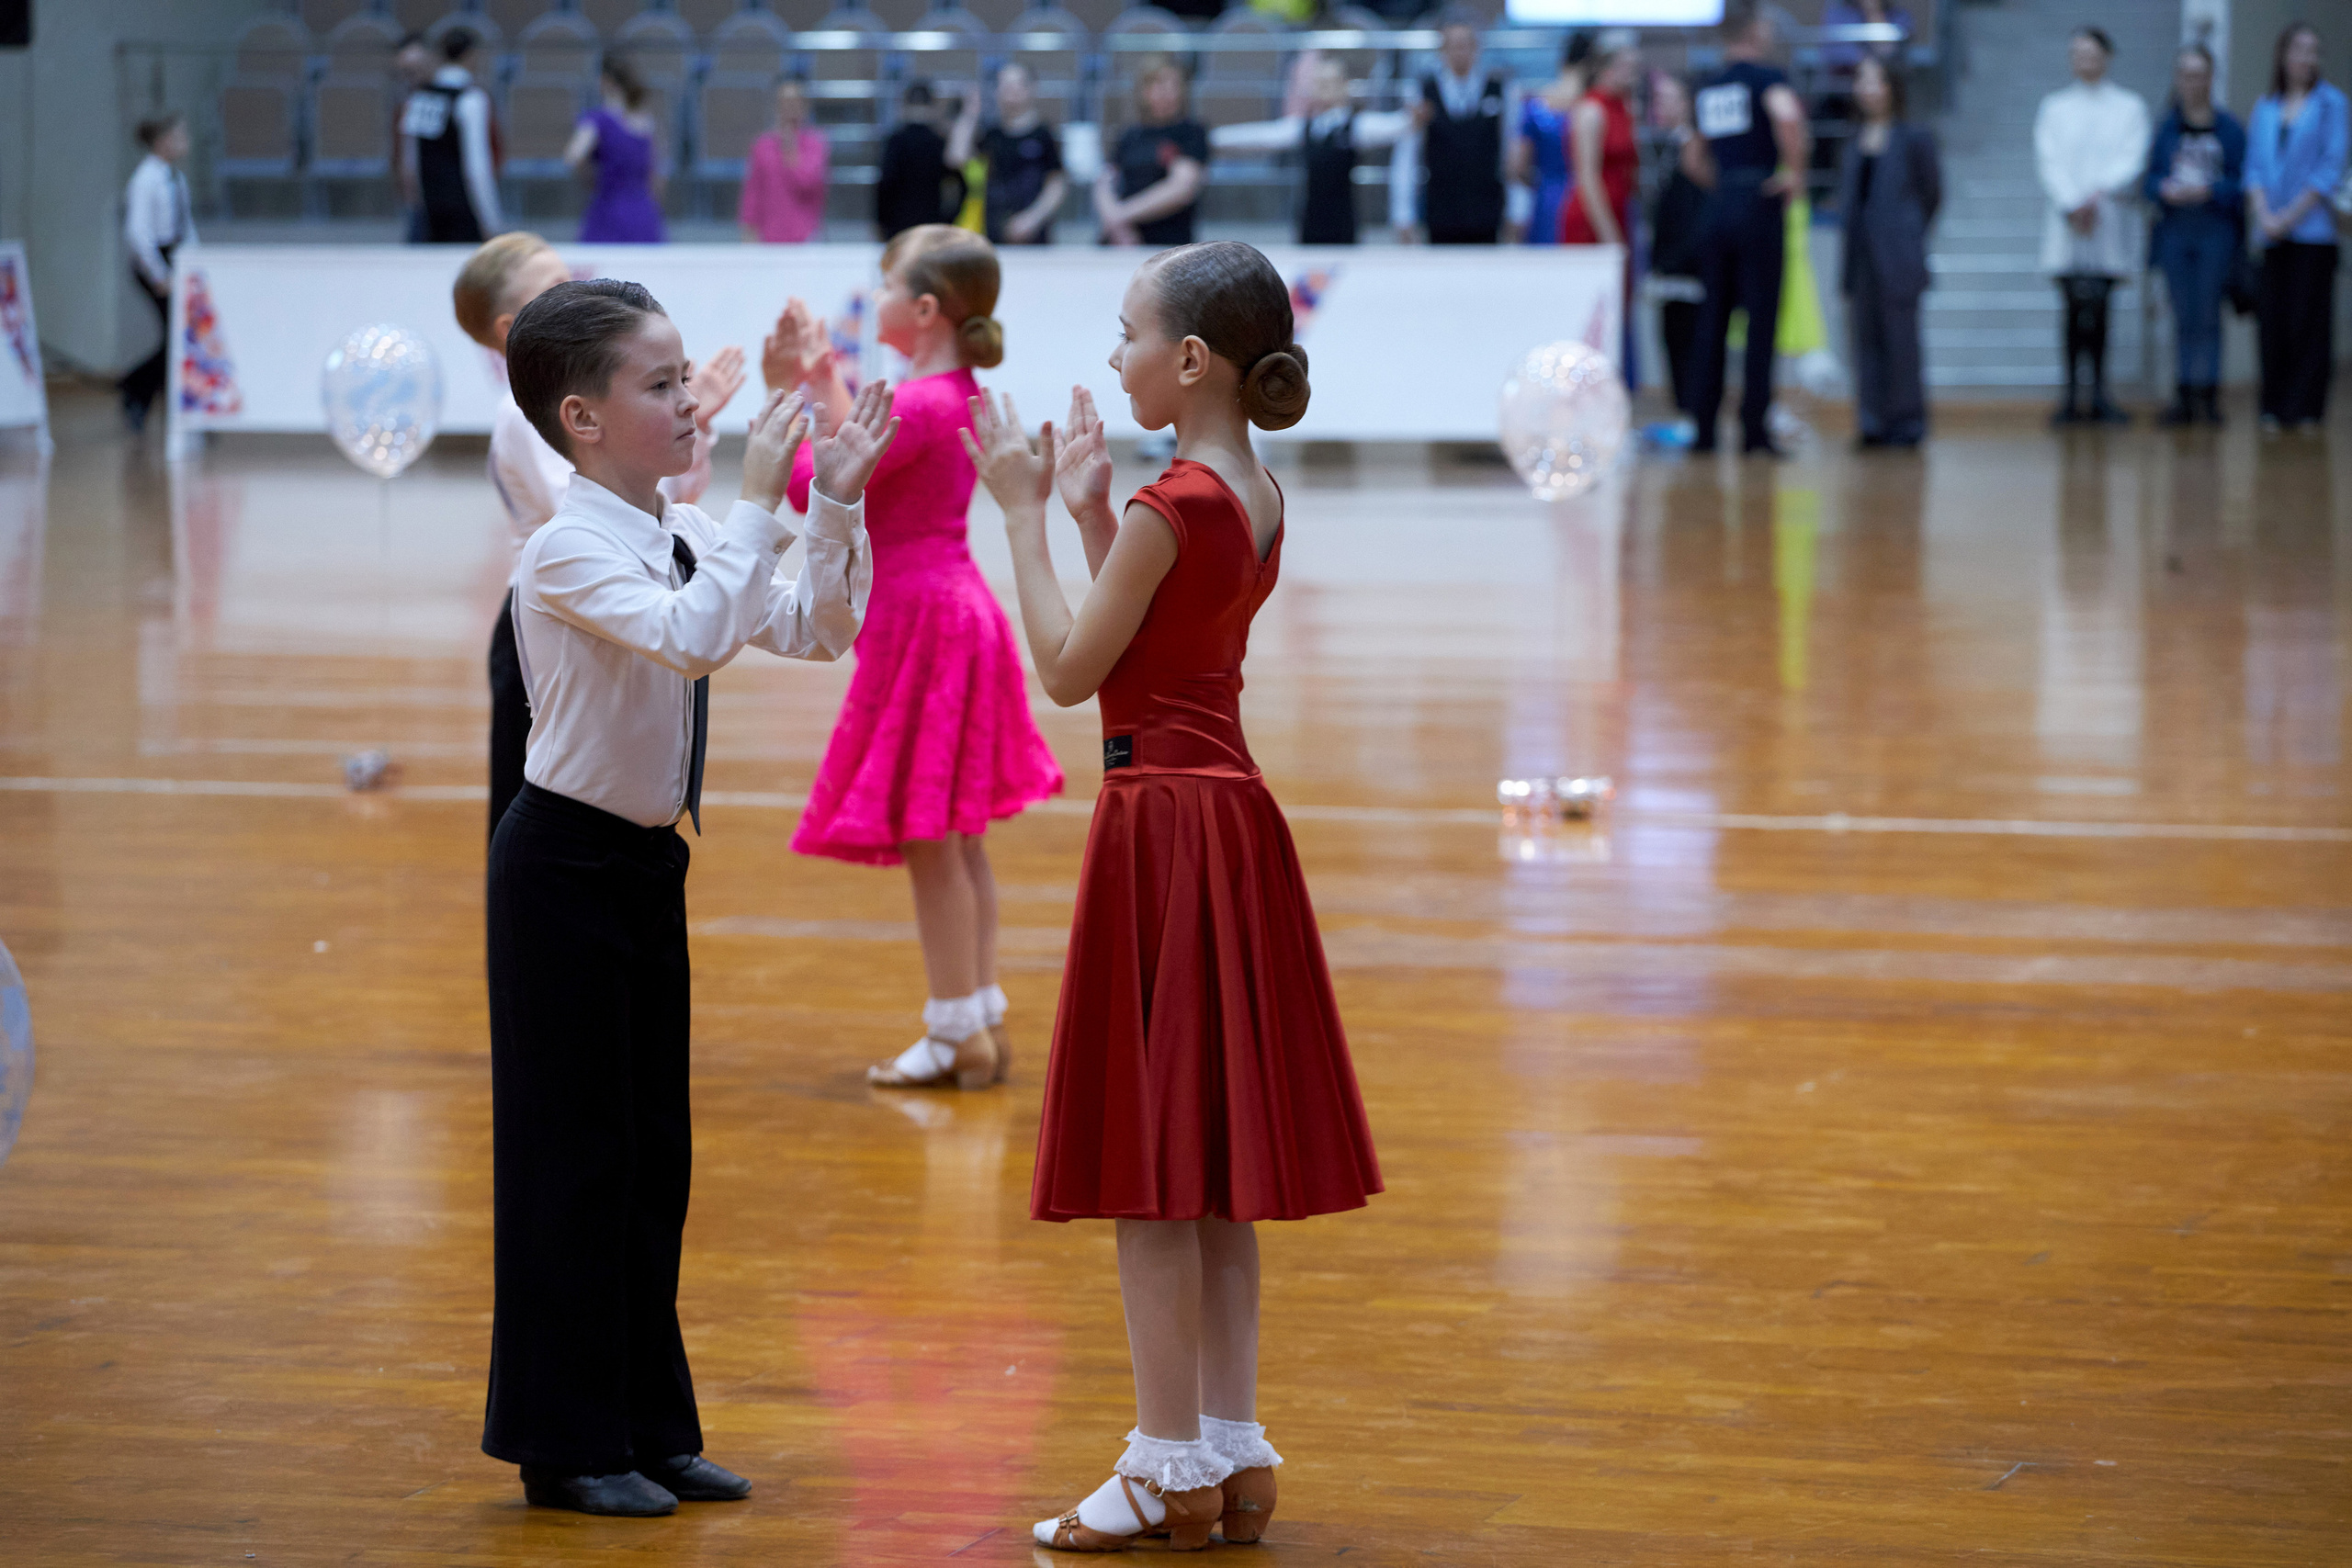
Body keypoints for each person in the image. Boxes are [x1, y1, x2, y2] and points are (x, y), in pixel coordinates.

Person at [957, 240, 1381, 1551]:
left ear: (1188, 359)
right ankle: (1232, 1446)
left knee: (1153, 1168)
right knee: (1215, 1174)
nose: (1112, 352)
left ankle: (1160, 1461)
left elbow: (1075, 669)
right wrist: (1095, 515)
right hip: (1232, 817)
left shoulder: (1172, 504)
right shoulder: (1243, 490)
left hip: (1161, 826)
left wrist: (1025, 515)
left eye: (1127, 330)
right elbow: (1167, 624)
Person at [487, 280, 884, 1516]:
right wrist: (762, 496)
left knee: (654, 1157)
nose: (688, 401)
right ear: (582, 417)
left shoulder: (691, 526)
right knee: (573, 1162)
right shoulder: (563, 547)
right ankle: (564, 1443)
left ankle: (648, 1424)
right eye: (657, 386)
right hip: (558, 869)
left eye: (681, 378)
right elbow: (693, 636)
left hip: (647, 866)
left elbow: (818, 628)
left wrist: (839, 496)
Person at [757, 227, 1063, 1088]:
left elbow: (817, 482)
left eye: (885, 284)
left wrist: (788, 389)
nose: (876, 297)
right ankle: (977, 1012)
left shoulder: (921, 404)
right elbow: (858, 455)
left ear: (922, 309)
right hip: (951, 610)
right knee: (957, 837)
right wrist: (822, 378)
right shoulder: (944, 392)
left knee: (934, 838)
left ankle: (955, 1025)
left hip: (923, 621)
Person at [450, 232, 746, 840]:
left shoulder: (581, 411)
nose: (576, 294)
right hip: (556, 610)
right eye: (555, 289)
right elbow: (599, 514)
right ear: (511, 327)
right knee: (536, 801)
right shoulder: (524, 415)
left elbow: (649, 511)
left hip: (612, 595)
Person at [1682, 0, 1812, 455]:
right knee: (1761, 322)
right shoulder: (1768, 80)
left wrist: (1722, 188)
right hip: (1759, 203)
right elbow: (1789, 118)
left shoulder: (1710, 85)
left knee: (1711, 320)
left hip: (1718, 210)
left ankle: (1703, 428)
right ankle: (1753, 431)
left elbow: (1692, 156)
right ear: (1753, 31)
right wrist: (1793, 172)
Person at [2033, 27, 2150, 425]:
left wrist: (2096, 196)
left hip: (2106, 219)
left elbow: (2131, 157)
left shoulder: (2129, 107)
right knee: (2070, 310)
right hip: (2069, 221)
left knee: (2101, 309)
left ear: (2107, 56)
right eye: (2076, 53)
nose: (2084, 60)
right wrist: (2072, 202)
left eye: (2091, 52)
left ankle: (2099, 393)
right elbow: (2048, 160)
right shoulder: (2054, 107)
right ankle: (2070, 395)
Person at [1835, 55, 1941, 448]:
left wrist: (1908, 233)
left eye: (1875, 81)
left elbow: (1932, 194)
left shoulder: (1914, 137)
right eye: (1861, 81)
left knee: (1902, 342)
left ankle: (1907, 422)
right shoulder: (1852, 140)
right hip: (1859, 254)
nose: (1867, 89)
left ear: (1892, 87)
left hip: (1899, 255)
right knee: (1865, 340)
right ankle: (1871, 422)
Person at [2245, 21, 2347, 433]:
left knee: (2310, 321)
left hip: (2313, 232)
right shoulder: (2265, 106)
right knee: (2272, 320)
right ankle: (2273, 406)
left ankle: (2307, 408)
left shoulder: (2332, 104)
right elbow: (2252, 167)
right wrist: (2266, 216)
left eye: (2313, 51)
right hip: (2269, 232)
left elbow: (2329, 168)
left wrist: (2289, 216)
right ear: (2283, 56)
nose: (2306, 58)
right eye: (2298, 49)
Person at [2143, 43, 2245, 426]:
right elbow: (2149, 181)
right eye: (2185, 74)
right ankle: (2184, 392)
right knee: (2183, 314)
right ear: (2177, 79)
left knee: (2208, 314)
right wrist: (2166, 189)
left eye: (2199, 74)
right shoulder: (2166, 128)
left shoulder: (2229, 128)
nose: (2192, 82)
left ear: (2211, 78)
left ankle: (2208, 394)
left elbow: (2241, 183)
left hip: (2214, 231)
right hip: (2175, 232)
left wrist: (2209, 191)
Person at [1209, 58, 1413, 246]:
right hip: (1310, 219)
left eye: (1330, 81)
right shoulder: (1303, 128)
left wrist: (1413, 116)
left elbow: (1396, 126)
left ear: (1344, 85)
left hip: (1343, 220)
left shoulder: (1357, 126)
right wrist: (1211, 138)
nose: (1324, 88)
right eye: (1318, 82)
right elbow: (1261, 136)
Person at [1559, 33, 1643, 386]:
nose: (1632, 73)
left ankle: (1608, 388)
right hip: (1592, 218)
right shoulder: (1590, 109)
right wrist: (1609, 231)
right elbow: (1587, 177)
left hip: (1621, 211)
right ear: (1607, 66)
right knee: (1588, 305)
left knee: (1617, 309)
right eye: (1626, 66)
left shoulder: (1625, 107)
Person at [1396, 17, 1510, 244]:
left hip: (1487, 209)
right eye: (1453, 46)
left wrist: (1517, 210)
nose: (1460, 52)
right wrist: (1402, 212)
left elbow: (1509, 148)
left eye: (1466, 45)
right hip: (1441, 211)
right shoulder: (1422, 93)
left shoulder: (1499, 90)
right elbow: (1407, 156)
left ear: (1477, 48)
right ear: (1442, 51)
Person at [119, 112, 192, 434]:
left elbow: (186, 227)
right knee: (176, 337)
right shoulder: (145, 179)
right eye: (178, 136)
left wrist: (195, 264)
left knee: (179, 337)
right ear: (162, 141)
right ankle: (136, 386)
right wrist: (158, 273)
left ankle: (138, 390)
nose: (184, 142)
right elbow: (138, 233)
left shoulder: (176, 178)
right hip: (156, 263)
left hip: (178, 258)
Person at [400, 28, 502, 243]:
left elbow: (409, 164)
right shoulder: (471, 99)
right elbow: (477, 168)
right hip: (464, 212)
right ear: (471, 55)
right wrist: (491, 221)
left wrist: (416, 208)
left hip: (429, 210)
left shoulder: (419, 98)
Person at [947, 62, 1066, 246]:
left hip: (1033, 237)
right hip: (992, 233)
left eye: (1017, 84)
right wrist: (970, 113)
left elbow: (1057, 184)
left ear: (1030, 88)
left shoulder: (1044, 135)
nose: (1011, 90)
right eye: (1004, 84)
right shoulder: (991, 135)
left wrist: (1032, 219)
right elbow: (956, 157)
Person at [1098, 57, 1209, 247]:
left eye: (1173, 84)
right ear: (1143, 90)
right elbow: (1105, 181)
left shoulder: (1190, 133)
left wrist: (1121, 216)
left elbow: (1182, 187)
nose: (1165, 91)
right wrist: (1117, 226)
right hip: (1121, 241)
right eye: (1157, 83)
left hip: (1168, 244)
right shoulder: (1130, 135)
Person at [1648, 75, 1709, 422]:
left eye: (1668, 100)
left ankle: (1694, 413)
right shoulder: (1669, 147)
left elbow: (1693, 212)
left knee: (1689, 340)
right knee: (1672, 338)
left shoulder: (1695, 148)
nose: (1661, 108)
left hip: (1688, 265)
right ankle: (1684, 411)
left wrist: (1681, 260)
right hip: (1670, 264)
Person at [567, 58, 667, 244]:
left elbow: (573, 156)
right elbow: (656, 178)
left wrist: (590, 179)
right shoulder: (646, 122)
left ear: (604, 82)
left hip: (609, 210)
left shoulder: (598, 120)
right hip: (644, 213)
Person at [1510, 32, 1589, 247]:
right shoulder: (1593, 106)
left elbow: (1517, 166)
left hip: (1547, 196)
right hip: (1587, 195)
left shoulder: (1536, 104)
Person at [740, 77, 829, 244]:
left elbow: (808, 183)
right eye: (785, 102)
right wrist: (749, 228)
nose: (789, 107)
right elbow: (753, 192)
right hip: (769, 238)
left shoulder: (815, 144)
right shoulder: (762, 145)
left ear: (804, 105)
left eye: (794, 101)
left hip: (806, 237)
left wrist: (790, 149)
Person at [875, 82, 964, 242]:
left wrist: (881, 221)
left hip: (898, 225)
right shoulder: (939, 142)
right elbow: (959, 183)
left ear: (905, 106)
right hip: (932, 223)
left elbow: (885, 184)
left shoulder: (895, 141)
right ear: (931, 107)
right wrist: (948, 219)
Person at [392, 35, 437, 242]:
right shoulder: (406, 105)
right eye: (407, 73)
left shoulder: (442, 101)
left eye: (417, 70)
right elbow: (405, 154)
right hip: (417, 194)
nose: (413, 78)